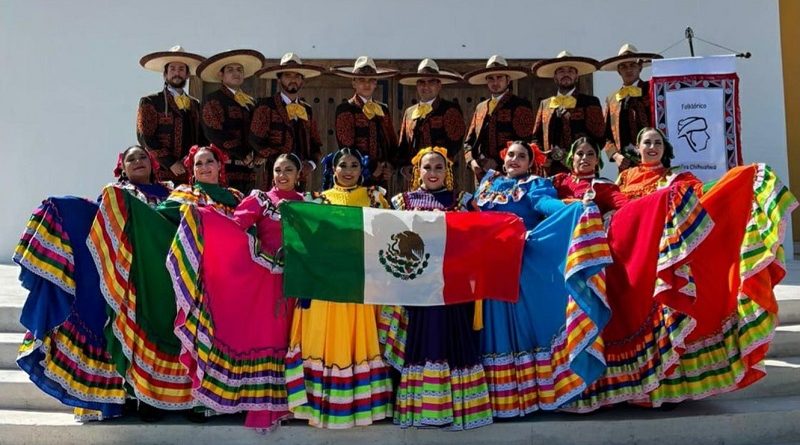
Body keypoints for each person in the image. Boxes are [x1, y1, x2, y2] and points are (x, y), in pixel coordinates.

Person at [14, 146, 171, 422]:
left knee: (151, 337)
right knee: (120, 336)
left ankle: (152, 399)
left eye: (142, 157)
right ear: (122, 168)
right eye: (130, 159)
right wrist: (62, 208)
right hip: (120, 279)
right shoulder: (114, 194)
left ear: (152, 163)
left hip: (155, 281)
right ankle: (119, 399)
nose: (137, 162)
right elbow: (94, 219)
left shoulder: (170, 195)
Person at [165, 152, 306, 430]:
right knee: (268, 338)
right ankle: (260, 408)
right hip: (267, 280)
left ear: (299, 175)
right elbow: (236, 226)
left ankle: (290, 404)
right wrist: (205, 218)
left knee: (291, 339)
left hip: (296, 283)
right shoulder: (261, 200)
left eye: (288, 170)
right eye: (277, 170)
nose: (282, 175)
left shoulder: (309, 204)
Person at [474, 141, 611, 417]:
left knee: (523, 326)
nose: (515, 160)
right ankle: (500, 399)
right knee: (493, 327)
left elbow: (548, 206)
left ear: (530, 163)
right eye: (511, 155)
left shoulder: (535, 185)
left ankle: (533, 394)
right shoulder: (487, 183)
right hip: (488, 265)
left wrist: (576, 209)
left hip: (518, 264)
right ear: (503, 160)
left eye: (521, 156)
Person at [382, 146, 492, 430]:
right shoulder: (401, 201)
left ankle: (457, 408)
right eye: (427, 167)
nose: (433, 173)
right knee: (422, 341)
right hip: (416, 288)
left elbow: (481, 235)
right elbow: (382, 236)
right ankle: (423, 409)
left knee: (453, 340)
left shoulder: (463, 201)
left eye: (438, 167)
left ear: (448, 172)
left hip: (453, 286)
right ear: (417, 171)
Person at [285, 147, 393, 429]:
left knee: (355, 340)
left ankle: (357, 406)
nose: (347, 170)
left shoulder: (376, 198)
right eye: (342, 165)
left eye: (354, 165)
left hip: (359, 284)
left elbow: (389, 235)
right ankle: (318, 405)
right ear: (332, 170)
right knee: (322, 339)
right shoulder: (316, 202)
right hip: (324, 287)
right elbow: (303, 242)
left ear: (362, 169)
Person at [249, 52, 325, 188]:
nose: (293, 79)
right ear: (279, 79)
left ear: (303, 80)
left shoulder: (307, 110)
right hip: (275, 175)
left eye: (297, 76)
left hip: (301, 177)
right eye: (288, 75)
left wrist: (311, 164)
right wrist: (281, 161)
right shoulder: (266, 106)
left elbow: (316, 143)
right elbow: (256, 139)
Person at [198, 49, 265, 193]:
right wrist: (242, 153)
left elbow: (259, 130)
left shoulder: (251, 102)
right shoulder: (212, 100)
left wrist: (260, 153)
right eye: (230, 70)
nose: (236, 73)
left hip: (248, 169)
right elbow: (214, 133)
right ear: (221, 75)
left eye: (239, 70)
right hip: (223, 168)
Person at [137, 46, 206, 183]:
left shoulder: (195, 105)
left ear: (187, 74)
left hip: (190, 173)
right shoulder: (151, 101)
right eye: (173, 69)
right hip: (161, 173)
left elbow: (202, 138)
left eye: (181, 69)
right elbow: (145, 137)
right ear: (165, 73)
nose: (177, 73)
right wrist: (170, 162)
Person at [532, 51, 605, 176]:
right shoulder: (545, 104)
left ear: (577, 76)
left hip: (581, 168)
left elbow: (599, 138)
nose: (566, 74)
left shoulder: (590, 102)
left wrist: (579, 157)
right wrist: (542, 156)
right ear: (555, 77)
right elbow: (535, 137)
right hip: (551, 170)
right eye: (561, 71)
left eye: (570, 71)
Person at [463, 55, 533, 182]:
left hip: (510, 171)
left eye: (499, 77)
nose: (495, 82)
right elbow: (469, 142)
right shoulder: (481, 107)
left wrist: (499, 161)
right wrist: (472, 162)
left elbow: (524, 142)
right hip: (481, 172)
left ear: (508, 79)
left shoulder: (520, 105)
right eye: (491, 78)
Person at [332, 57, 398, 188]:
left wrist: (390, 165)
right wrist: (372, 166)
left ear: (375, 83)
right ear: (354, 83)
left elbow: (391, 141)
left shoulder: (382, 109)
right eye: (362, 80)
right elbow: (346, 145)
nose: (366, 84)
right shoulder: (345, 109)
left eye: (371, 80)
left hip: (381, 177)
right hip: (355, 175)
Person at [396, 59, 465, 180]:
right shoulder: (409, 112)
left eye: (431, 82)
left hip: (440, 175)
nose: (426, 86)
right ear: (417, 85)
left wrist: (437, 165)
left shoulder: (450, 109)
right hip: (414, 176)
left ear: (439, 85)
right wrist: (403, 167)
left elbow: (455, 144)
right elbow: (404, 145)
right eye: (421, 82)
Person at [598, 44, 662, 171]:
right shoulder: (612, 99)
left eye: (632, 65)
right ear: (618, 71)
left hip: (654, 160)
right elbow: (606, 135)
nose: (628, 69)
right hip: (625, 165)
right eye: (624, 66)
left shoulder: (653, 90)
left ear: (640, 67)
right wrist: (615, 155)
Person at [616, 127, 702, 199]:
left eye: (658, 143)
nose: (653, 147)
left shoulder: (675, 176)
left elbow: (699, 191)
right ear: (638, 147)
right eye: (647, 143)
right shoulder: (625, 176)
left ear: (664, 148)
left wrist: (715, 187)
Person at [551, 137, 629, 214]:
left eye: (590, 154)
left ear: (597, 160)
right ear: (572, 158)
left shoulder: (602, 185)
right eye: (580, 154)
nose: (584, 158)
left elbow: (625, 205)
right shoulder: (559, 180)